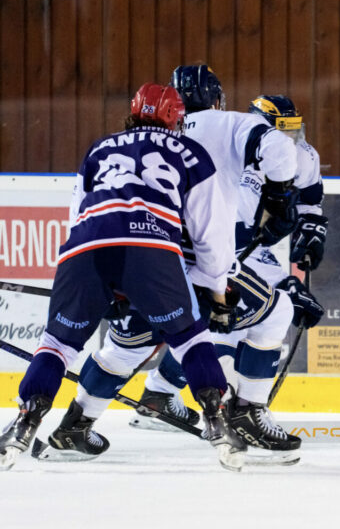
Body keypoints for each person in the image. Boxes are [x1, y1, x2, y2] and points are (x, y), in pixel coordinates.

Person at [41, 67, 311, 460]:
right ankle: (247, 413)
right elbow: (280, 152)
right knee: (276, 311)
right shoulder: (230, 124)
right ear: (214, 99)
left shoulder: (128, 142)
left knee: (125, 346)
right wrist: (280, 194)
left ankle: (75, 427)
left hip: (136, 259)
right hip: (188, 263)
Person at [0, 83, 246, 472]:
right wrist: (215, 290)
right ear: (176, 118)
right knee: (190, 338)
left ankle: (24, 422)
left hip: (84, 250)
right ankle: (218, 423)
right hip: (151, 251)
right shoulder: (192, 152)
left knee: (57, 344)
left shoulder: (100, 148)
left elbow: (77, 213)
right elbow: (211, 233)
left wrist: (102, 283)